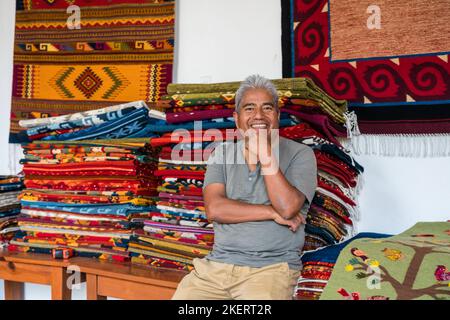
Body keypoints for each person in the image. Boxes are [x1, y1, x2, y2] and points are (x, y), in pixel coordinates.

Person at [172, 74, 317, 300]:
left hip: (270, 270)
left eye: (267, 108)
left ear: (277, 116)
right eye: (249, 109)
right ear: (237, 118)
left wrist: (266, 154)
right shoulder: (222, 153)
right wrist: (270, 212)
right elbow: (215, 209)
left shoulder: (301, 154)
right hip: (215, 269)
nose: (258, 115)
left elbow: (288, 208)